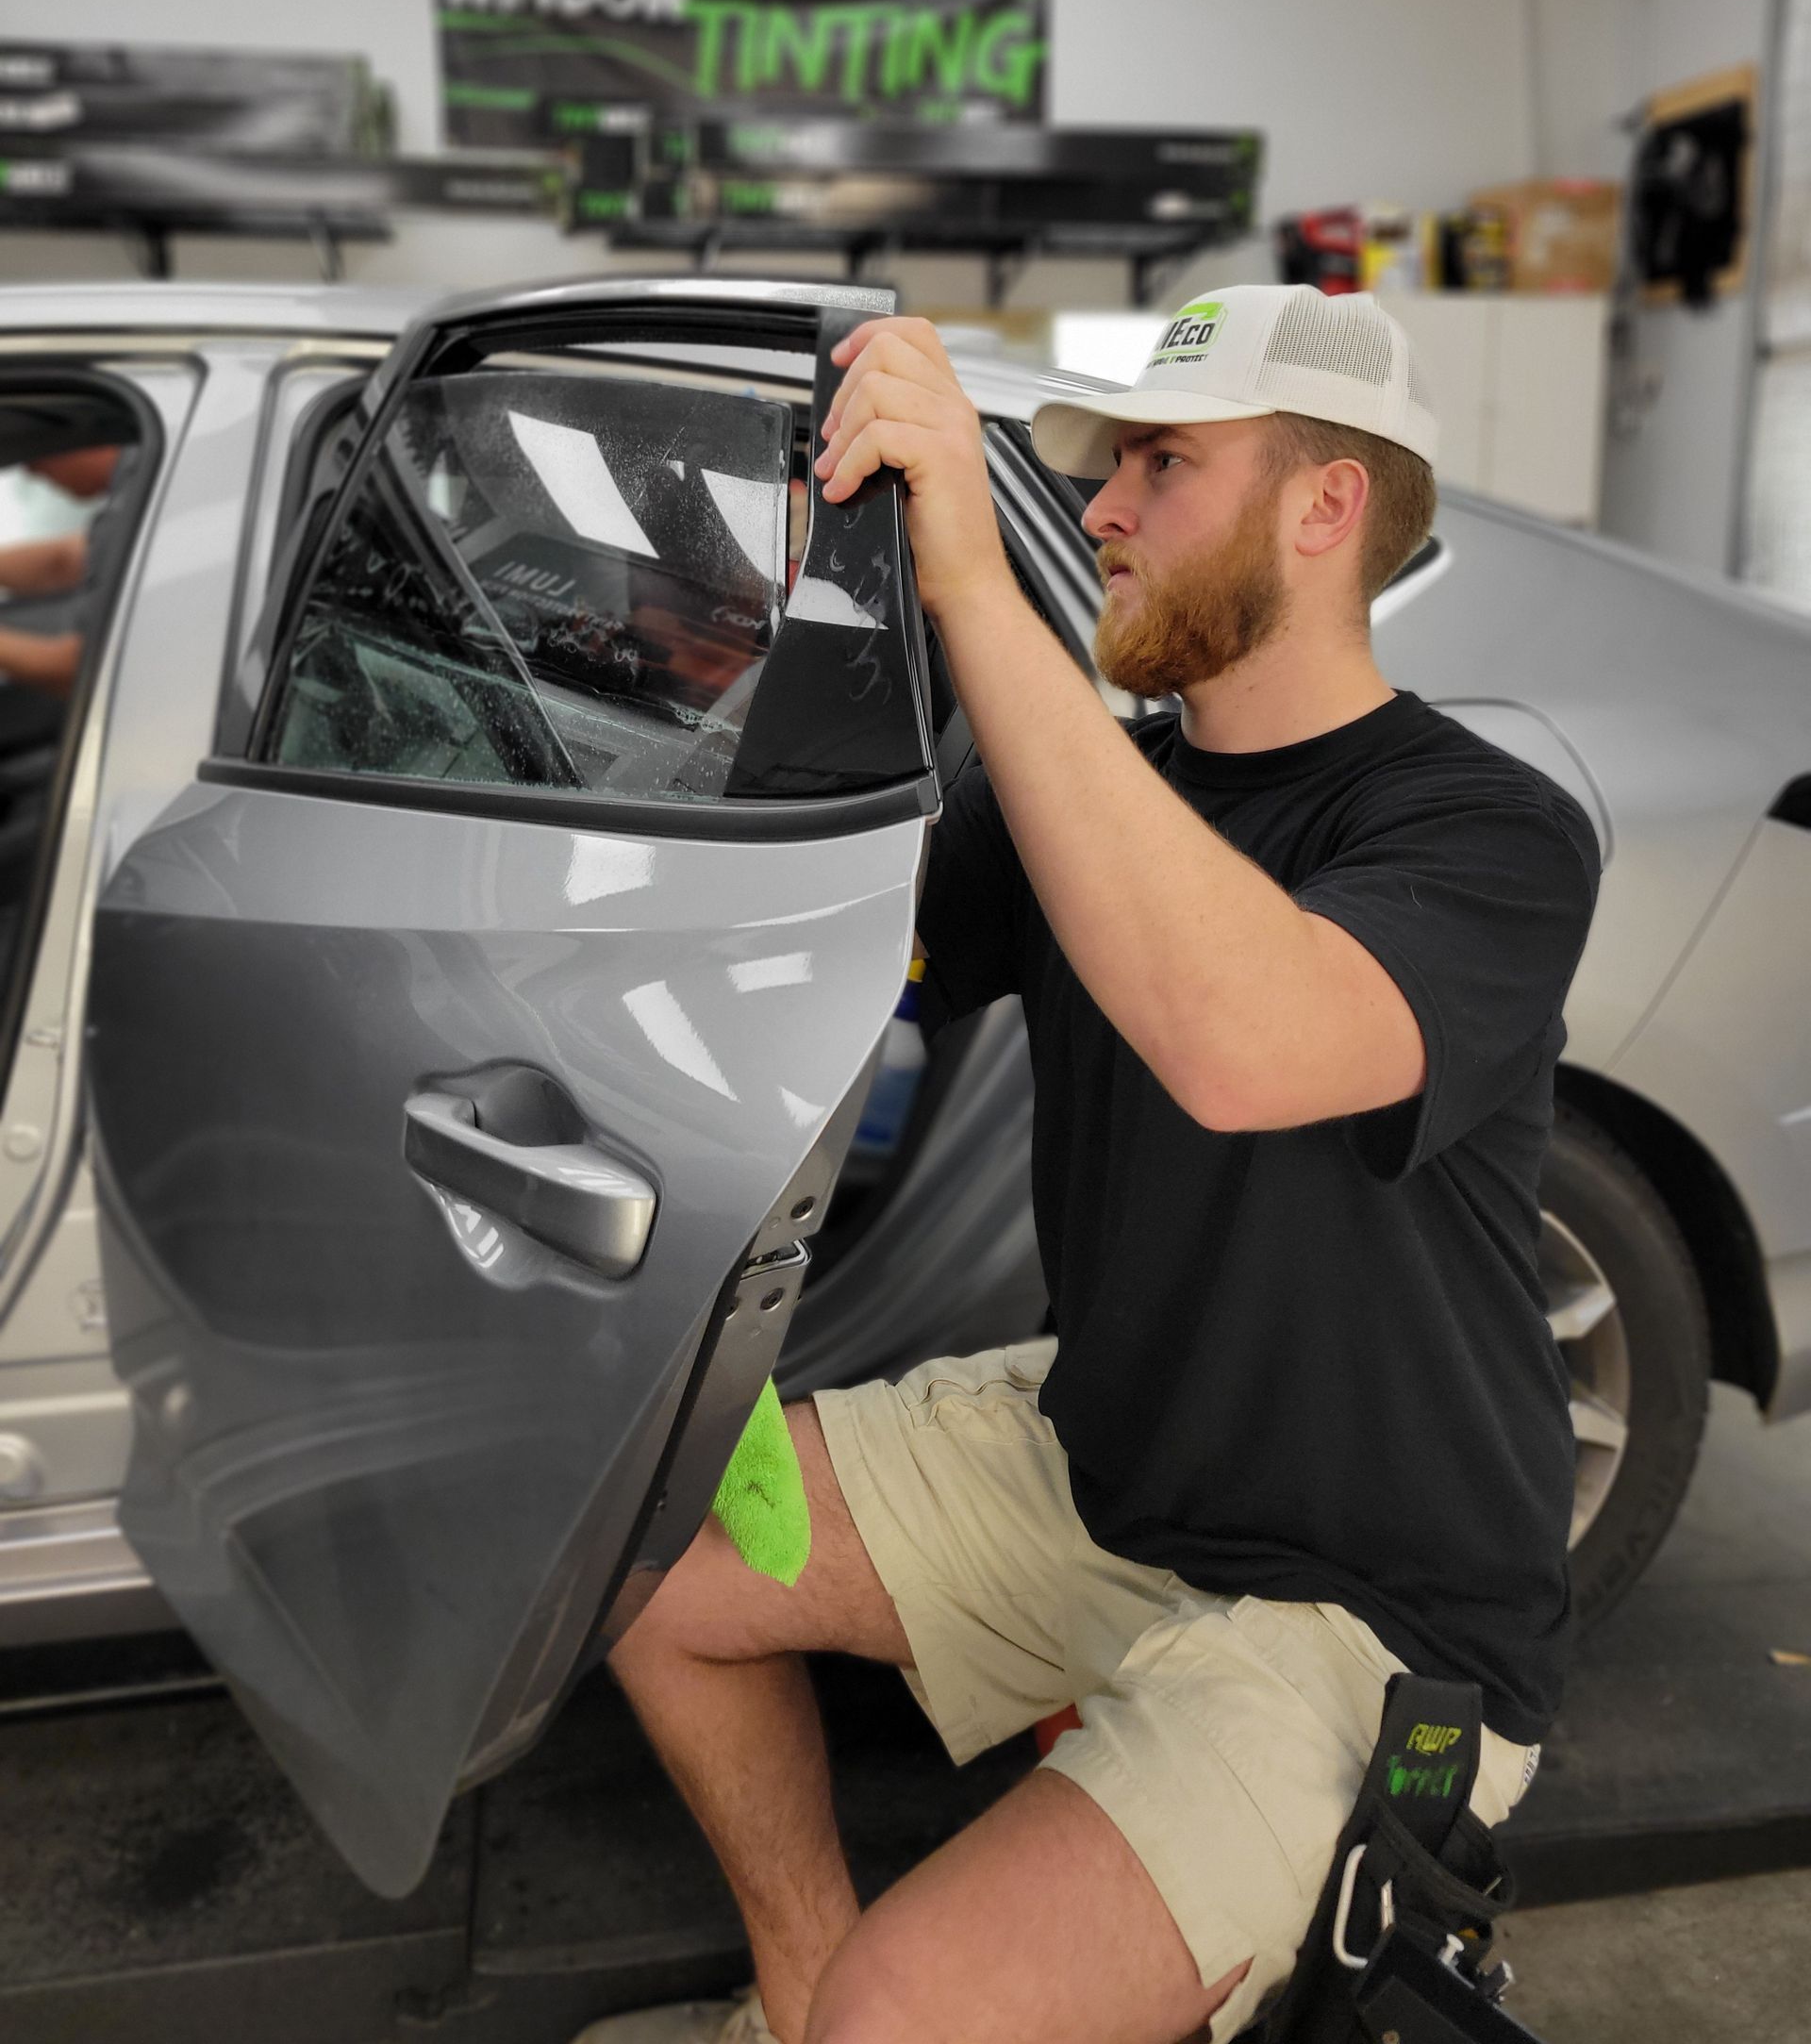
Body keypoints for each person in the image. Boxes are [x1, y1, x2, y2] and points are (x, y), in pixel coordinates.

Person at [595, 288, 1600, 2044]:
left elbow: (1244, 1040)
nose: (1105, 510)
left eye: (1162, 464)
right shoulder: (1105, 784)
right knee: (641, 1554)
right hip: (1105, 1463)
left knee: (920, 2010)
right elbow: (824, 949)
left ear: (1326, 505)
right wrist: (768, 626)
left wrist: (986, 588)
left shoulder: (1488, 825)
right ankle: (809, 1997)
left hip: (1371, 1608)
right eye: (1103, 468)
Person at [0, 444, 132, 698]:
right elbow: (63, 562)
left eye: (35, 461)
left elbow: (82, 669)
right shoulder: (135, 485)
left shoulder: (148, 480)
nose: (31, 474)